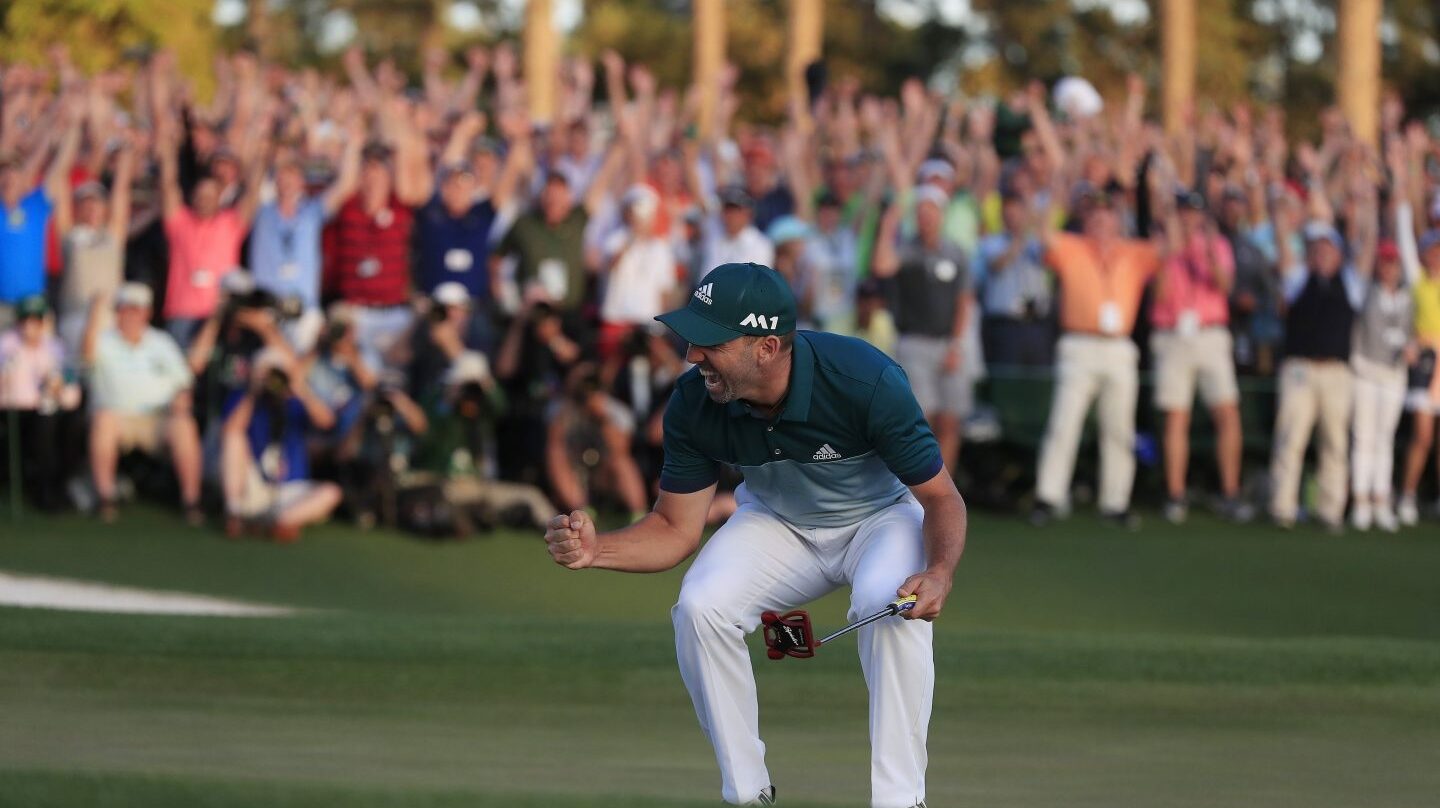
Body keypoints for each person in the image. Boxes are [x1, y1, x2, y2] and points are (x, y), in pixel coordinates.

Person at [543, 263, 965, 808]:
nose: (693, 355)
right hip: (777, 521)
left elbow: (940, 498)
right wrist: (599, 551)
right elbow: (674, 529)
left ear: (766, 347)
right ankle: (748, 796)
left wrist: (938, 573)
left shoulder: (865, 378)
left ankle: (900, 800)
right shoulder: (695, 401)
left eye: (710, 342)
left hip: (881, 517)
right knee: (701, 607)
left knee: (890, 603)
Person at [1030, 189, 1161, 529]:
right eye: (1094, 214)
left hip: (1118, 347)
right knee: (1064, 423)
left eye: (1108, 214)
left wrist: (1158, 191)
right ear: (1085, 220)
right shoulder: (1071, 246)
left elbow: (1170, 248)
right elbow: (1044, 235)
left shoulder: (1134, 251)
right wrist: (1059, 188)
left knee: (1119, 427)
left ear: (1119, 220)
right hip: (1079, 345)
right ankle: (1048, 496)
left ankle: (1115, 501)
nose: (1101, 220)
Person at [1149, 191, 1250, 524]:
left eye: (1194, 212)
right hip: (1174, 335)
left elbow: (1224, 286)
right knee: (1177, 418)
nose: (1190, 219)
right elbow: (1159, 292)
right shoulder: (1160, 242)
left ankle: (1229, 492)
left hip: (1210, 332)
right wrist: (1172, 250)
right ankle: (1175, 494)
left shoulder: (1216, 244)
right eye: (1184, 213)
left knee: (1227, 412)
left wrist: (1205, 250)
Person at [873, 184, 974, 478]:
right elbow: (882, 265)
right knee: (922, 419)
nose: (926, 217)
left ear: (942, 215)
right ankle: (921, 486)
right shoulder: (908, 249)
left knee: (950, 420)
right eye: (921, 211)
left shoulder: (956, 253)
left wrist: (956, 345)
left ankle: (947, 486)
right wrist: (889, 223)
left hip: (948, 343)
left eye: (931, 211)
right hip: (915, 342)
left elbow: (963, 302)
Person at [1268, 223, 1364, 530]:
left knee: (1335, 442)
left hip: (1336, 371)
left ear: (1339, 254)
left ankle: (1330, 510)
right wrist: (1281, 216)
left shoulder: (1349, 282)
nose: (1322, 254)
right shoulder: (1298, 280)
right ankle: (1282, 507)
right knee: (1290, 437)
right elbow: (1284, 247)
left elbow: (1368, 248)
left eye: (1328, 248)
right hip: (1300, 368)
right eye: (1317, 248)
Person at [82, 283, 204, 523]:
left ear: (147, 313)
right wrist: (95, 313)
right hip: (118, 418)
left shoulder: (161, 342)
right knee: (104, 420)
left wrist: (182, 397)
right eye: (126, 309)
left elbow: (184, 381)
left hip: (158, 419)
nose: (131, 316)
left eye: (137, 310)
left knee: (184, 425)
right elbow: (86, 356)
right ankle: (105, 498)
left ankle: (192, 502)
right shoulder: (103, 339)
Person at [156, 117, 265, 349]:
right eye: (201, 195)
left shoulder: (230, 223)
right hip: (182, 312)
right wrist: (167, 149)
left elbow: (253, 191)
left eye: (211, 195)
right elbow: (168, 185)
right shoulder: (180, 222)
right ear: (193, 197)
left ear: (219, 198)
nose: (205, 200)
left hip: (218, 315)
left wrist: (258, 150)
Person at [220, 348, 343, 541]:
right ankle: (234, 513)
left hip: (290, 491)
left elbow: (327, 421)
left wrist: (299, 388)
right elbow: (230, 430)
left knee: (331, 492)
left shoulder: (295, 401)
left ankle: (282, 521)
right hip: (253, 486)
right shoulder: (243, 397)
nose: (273, 382)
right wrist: (254, 392)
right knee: (234, 438)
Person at [0, 296, 82, 511]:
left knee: (74, 423)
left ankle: (62, 483)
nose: (30, 326)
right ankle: (44, 489)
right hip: (17, 414)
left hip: (50, 410)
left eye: (36, 320)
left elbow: (68, 386)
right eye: (26, 320)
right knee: (45, 422)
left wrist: (58, 388)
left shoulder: (54, 347)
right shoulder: (7, 345)